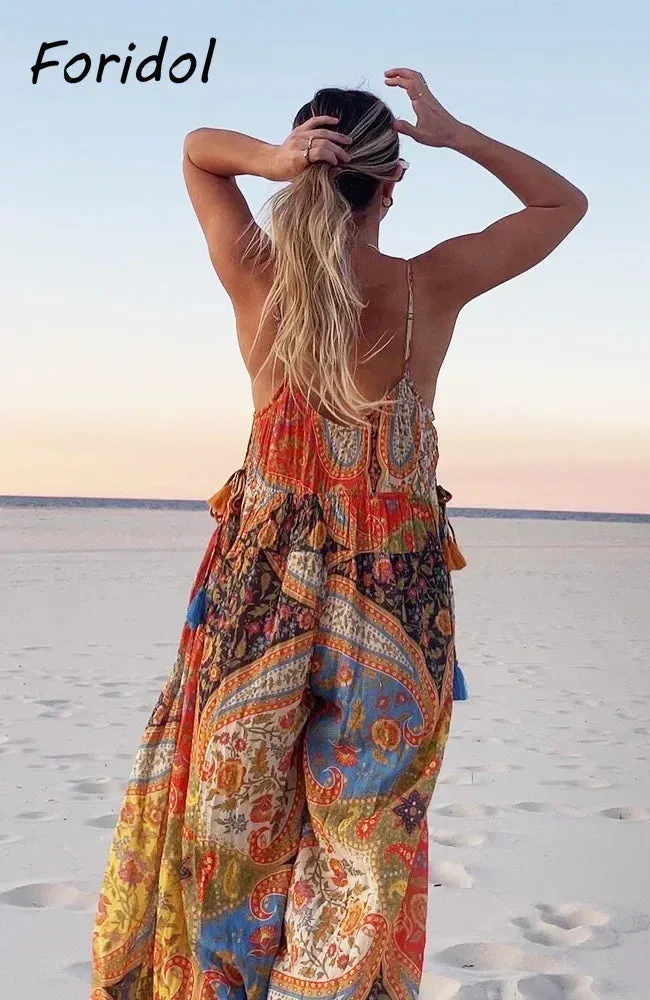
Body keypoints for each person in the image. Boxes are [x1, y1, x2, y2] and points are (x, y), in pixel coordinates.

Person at [91, 67, 587, 1000]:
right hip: (397, 595)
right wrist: (460, 134)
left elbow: (198, 152)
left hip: (259, 582)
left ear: (303, 171)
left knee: (230, 829)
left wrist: (269, 159)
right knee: (366, 843)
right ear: (393, 181)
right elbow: (563, 203)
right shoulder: (432, 284)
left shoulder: (258, 273)